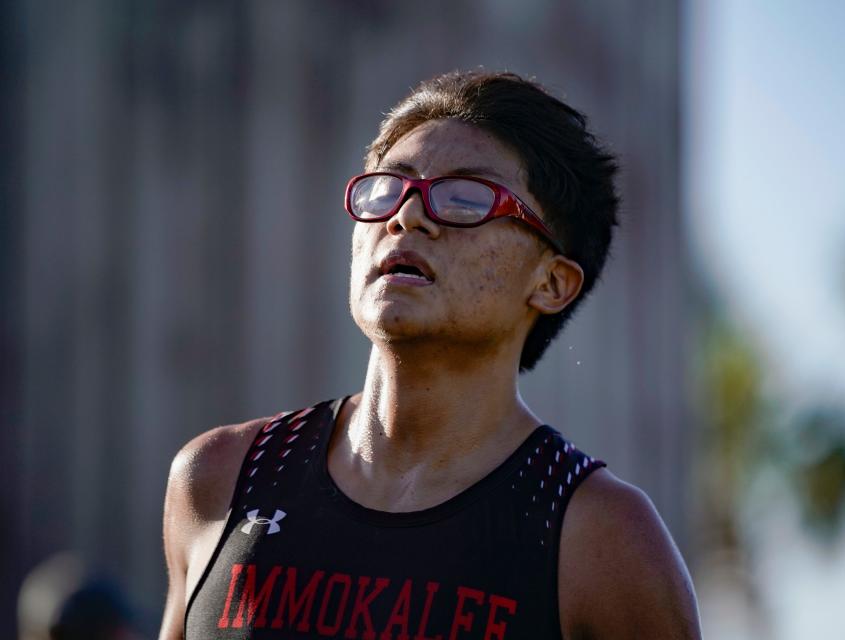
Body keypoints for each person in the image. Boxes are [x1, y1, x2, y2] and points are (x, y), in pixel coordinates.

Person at [159, 70, 702, 639]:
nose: (407, 216)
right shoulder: (220, 478)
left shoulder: (599, 537)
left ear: (551, 282)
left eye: (466, 197)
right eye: (387, 188)